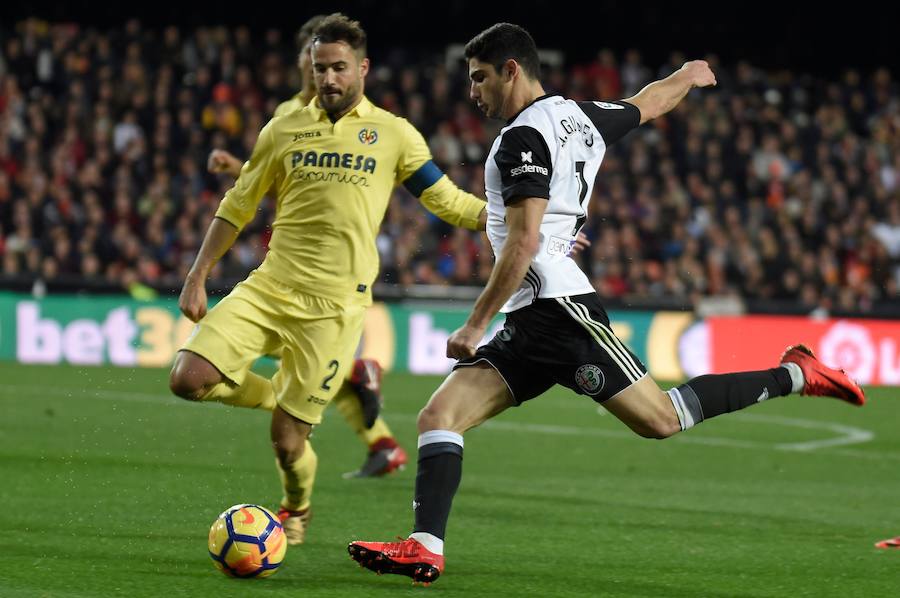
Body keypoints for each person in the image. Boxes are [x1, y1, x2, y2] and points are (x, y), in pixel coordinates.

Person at [347, 23, 866, 584]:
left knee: (662, 420)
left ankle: (795, 373)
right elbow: (648, 103)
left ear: (512, 70)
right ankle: (425, 547)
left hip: (559, 308)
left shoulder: (522, 140)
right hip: (534, 315)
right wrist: (687, 75)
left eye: (480, 78)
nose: (474, 93)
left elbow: (523, 243)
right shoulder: (580, 117)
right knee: (438, 416)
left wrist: (475, 324)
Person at [168, 13, 491, 546]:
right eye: (320, 68)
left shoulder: (393, 134)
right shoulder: (284, 126)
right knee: (188, 378)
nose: (329, 79)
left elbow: (444, 198)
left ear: (362, 68)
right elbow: (239, 203)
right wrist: (197, 274)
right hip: (269, 287)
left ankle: (295, 508)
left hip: (335, 307)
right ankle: (280, 394)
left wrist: (507, 220)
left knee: (287, 442)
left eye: (339, 67)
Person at [206, 15, 409, 480]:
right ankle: (381, 440)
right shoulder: (289, 117)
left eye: (324, 62)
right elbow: (282, 183)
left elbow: (319, 186)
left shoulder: (359, 123)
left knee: (302, 362)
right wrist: (241, 168)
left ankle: (360, 394)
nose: (316, 70)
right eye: (311, 61)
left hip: (332, 271)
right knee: (307, 368)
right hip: (292, 261)